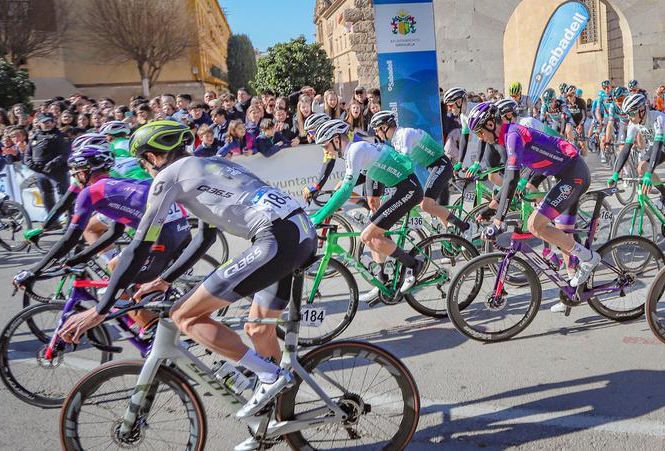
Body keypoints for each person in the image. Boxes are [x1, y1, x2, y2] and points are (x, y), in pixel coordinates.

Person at [57, 120, 318, 429]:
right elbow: (205, 237)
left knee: (185, 315)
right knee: (258, 329)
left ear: (154, 157)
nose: (147, 170)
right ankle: (272, 419)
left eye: (144, 162)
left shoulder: (168, 176)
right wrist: (165, 279)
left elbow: (139, 247)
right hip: (299, 232)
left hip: (275, 239)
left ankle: (269, 375)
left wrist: (100, 311)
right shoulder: (210, 164)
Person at [14, 147, 192, 332]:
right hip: (181, 234)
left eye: (76, 174)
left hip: (163, 240)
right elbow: (114, 232)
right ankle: (160, 327)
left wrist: (33, 271)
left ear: (83, 171)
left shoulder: (90, 193)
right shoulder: (117, 184)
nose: (75, 179)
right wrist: (81, 257)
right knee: (120, 269)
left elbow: (69, 239)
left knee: (114, 289)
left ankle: (155, 335)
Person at [467, 102, 603, 289]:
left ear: (491, 124)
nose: (481, 138)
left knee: (535, 225)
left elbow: (512, 179)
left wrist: (499, 221)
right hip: (565, 176)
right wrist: (491, 210)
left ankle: (588, 257)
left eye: (480, 132)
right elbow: (509, 180)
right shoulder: (507, 138)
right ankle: (572, 292)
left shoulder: (513, 135)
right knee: (562, 237)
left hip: (574, 175)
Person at [309, 118, 427, 292]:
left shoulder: (355, 150)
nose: (325, 150)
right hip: (399, 188)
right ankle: (382, 279)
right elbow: (350, 183)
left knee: (366, 236)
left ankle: (414, 264)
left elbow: (347, 190)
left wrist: (317, 217)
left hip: (408, 189)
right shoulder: (352, 151)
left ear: (336, 140)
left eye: (325, 146)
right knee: (370, 234)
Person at [369, 110, 472, 241]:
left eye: (377, 130)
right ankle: (453, 240)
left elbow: (406, 165)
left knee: (426, 205)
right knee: (433, 207)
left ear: (384, 127)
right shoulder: (396, 140)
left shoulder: (404, 135)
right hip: (434, 168)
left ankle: (466, 227)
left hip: (441, 166)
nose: (376, 133)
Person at [608, 93, 665, 209]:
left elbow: (656, 146)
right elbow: (626, 149)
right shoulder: (633, 124)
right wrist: (615, 174)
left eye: (631, 113)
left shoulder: (658, 118)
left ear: (641, 110)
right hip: (662, 146)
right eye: (627, 114)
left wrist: (649, 174)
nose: (629, 117)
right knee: (641, 167)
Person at [26, 113, 71, 217]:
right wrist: (32, 165)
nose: (48, 124)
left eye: (50, 122)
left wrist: (51, 164)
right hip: (40, 172)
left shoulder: (61, 136)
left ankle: (70, 221)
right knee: (46, 195)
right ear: (39, 123)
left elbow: (65, 154)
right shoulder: (35, 137)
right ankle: (52, 221)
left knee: (64, 196)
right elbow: (27, 153)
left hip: (57, 171)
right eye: (45, 122)